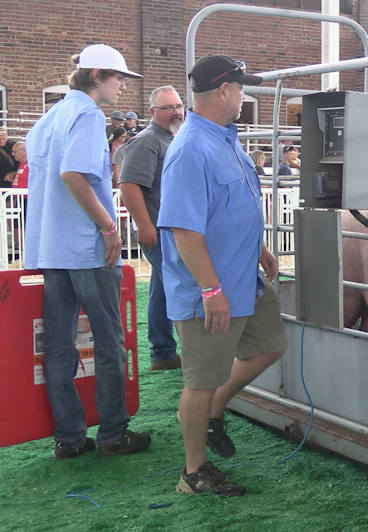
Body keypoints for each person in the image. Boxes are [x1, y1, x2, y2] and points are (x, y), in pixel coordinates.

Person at [158, 54, 288, 496]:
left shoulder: (223, 137)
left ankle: (215, 409)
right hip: (211, 289)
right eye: (241, 88)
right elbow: (184, 229)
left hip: (243, 277)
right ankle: (193, 472)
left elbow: (230, 207)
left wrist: (260, 247)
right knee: (200, 380)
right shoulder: (191, 148)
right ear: (224, 91)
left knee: (271, 345)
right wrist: (211, 289)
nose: (244, 96)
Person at [25, 43, 152, 460]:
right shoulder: (86, 115)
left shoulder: (49, 118)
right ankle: (113, 433)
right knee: (109, 340)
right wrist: (108, 226)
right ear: (97, 75)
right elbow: (73, 175)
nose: (121, 87)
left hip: (51, 247)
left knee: (58, 344)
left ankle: (69, 437)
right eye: (118, 78)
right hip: (86, 247)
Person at [119, 85, 185, 372]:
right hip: (158, 232)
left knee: (163, 288)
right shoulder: (147, 141)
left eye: (179, 105)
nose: (176, 111)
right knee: (180, 285)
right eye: (168, 107)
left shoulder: (173, 138)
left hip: (170, 231)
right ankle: (175, 351)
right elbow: (128, 185)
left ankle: (163, 353)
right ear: (153, 112)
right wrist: (144, 226)